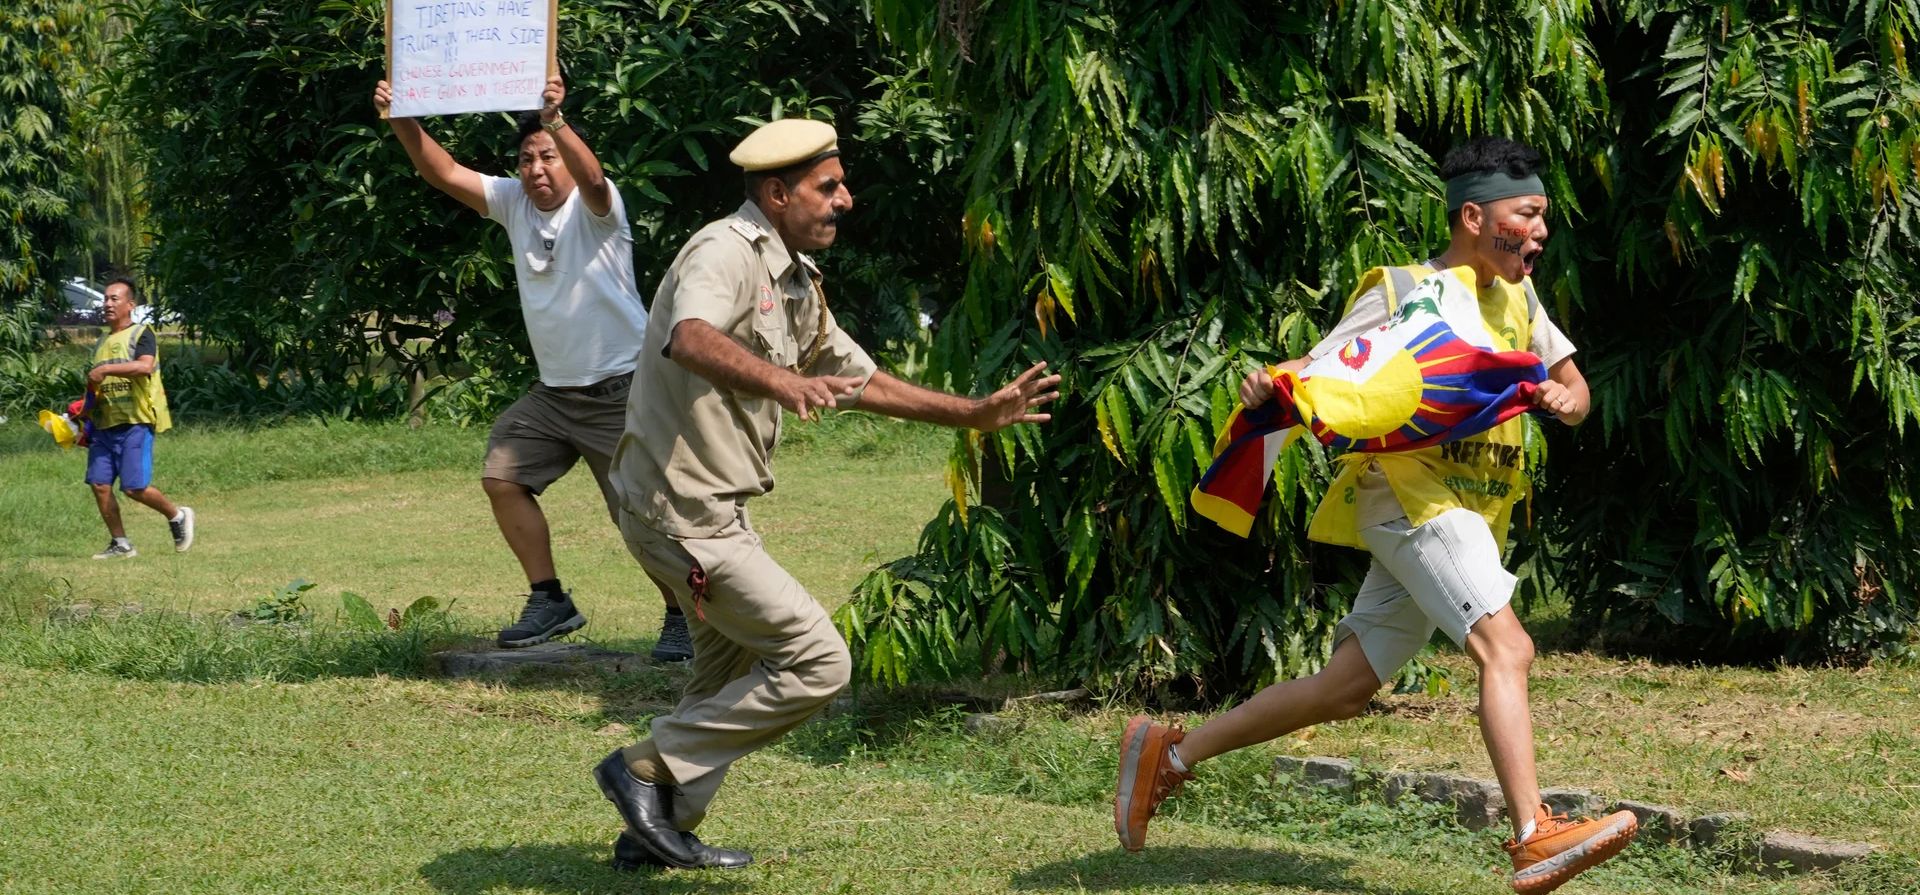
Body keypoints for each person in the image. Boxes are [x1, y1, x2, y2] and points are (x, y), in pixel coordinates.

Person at [1113, 137, 1636, 895]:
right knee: (1507, 647)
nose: (1542, 230)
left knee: (1343, 689)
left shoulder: (1520, 298)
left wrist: (1566, 401)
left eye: (1544, 215)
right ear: (1473, 216)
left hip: (1468, 515)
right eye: (1528, 214)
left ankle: (1171, 752)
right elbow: (1327, 369)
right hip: (1412, 500)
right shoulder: (1403, 292)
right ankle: (1532, 833)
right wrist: (1273, 388)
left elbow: (1576, 387)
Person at [592, 118, 1061, 870]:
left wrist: (974, 413)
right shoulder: (724, 250)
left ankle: (655, 831)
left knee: (725, 677)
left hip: (714, 513)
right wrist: (782, 378)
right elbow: (690, 336)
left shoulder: (795, 279)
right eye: (828, 186)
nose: (846, 199)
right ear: (777, 193)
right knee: (818, 661)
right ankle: (639, 769)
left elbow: (862, 380)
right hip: (681, 515)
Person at [372, 73, 691, 659]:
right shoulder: (514, 203)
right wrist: (401, 117)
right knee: (502, 477)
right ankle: (550, 600)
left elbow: (593, 177)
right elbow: (442, 172)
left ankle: (682, 617)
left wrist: (556, 120)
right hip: (553, 396)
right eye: (527, 158)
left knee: (637, 515)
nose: (537, 168)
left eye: (548, 156)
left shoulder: (600, 210)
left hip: (621, 390)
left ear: (566, 156)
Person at [84, 275, 194, 559]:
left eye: (114, 299)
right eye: (105, 299)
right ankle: (121, 543)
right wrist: (82, 415)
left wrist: (106, 371)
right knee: (99, 485)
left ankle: (177, 515)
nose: (107, 304)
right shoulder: (100, 342)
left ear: (130, 305)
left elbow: (145, 367)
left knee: (134, 488)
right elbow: (97, 384)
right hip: (104, 425)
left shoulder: (141, 333)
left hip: (135, 422)